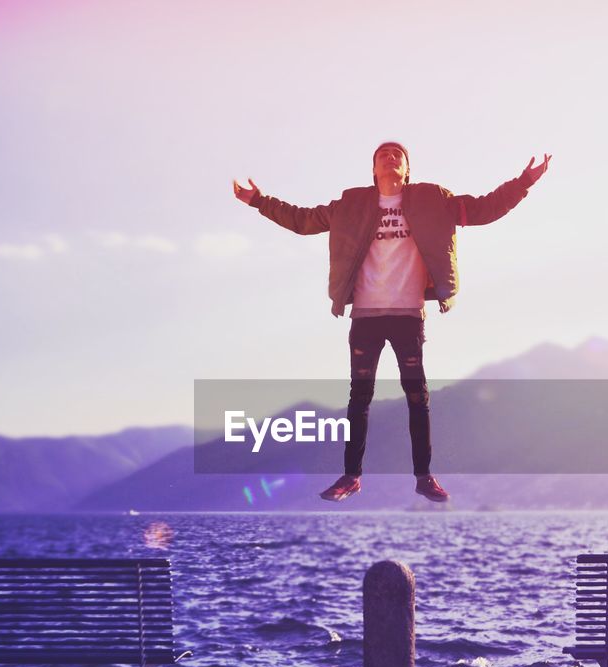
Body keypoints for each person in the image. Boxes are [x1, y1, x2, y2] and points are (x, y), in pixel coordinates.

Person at [232, 142, 550, 502]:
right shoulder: (350, 206)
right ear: (373, 170)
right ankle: (351, 477)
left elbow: (483, 209)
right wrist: (258, 200)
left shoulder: (434, 201)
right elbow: (303, 220)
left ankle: (424, 477)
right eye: (382, 154)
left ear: (407, 170)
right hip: (366, 315)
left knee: (417, 397)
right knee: (359, 398)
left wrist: (524, 181)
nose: (390, 157)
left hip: (407, 314)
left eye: (398, 155)